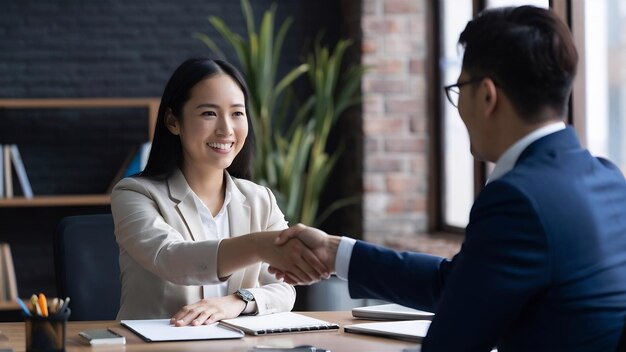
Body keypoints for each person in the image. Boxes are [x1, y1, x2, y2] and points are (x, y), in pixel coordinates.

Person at [268, 6, 626, 351]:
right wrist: (336, 254)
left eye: (459, 89)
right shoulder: (607, 180)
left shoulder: (518, 199)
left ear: (487, 95)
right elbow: (463, 284)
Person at [111, 58, 324, 326]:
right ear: (173, 121)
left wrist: (238, 302)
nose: (226, 129)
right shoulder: (134, 194)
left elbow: (283, 288)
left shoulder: (261, 200)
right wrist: (258, 245)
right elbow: (172, 258)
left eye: (237, 113)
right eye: (209, 113)